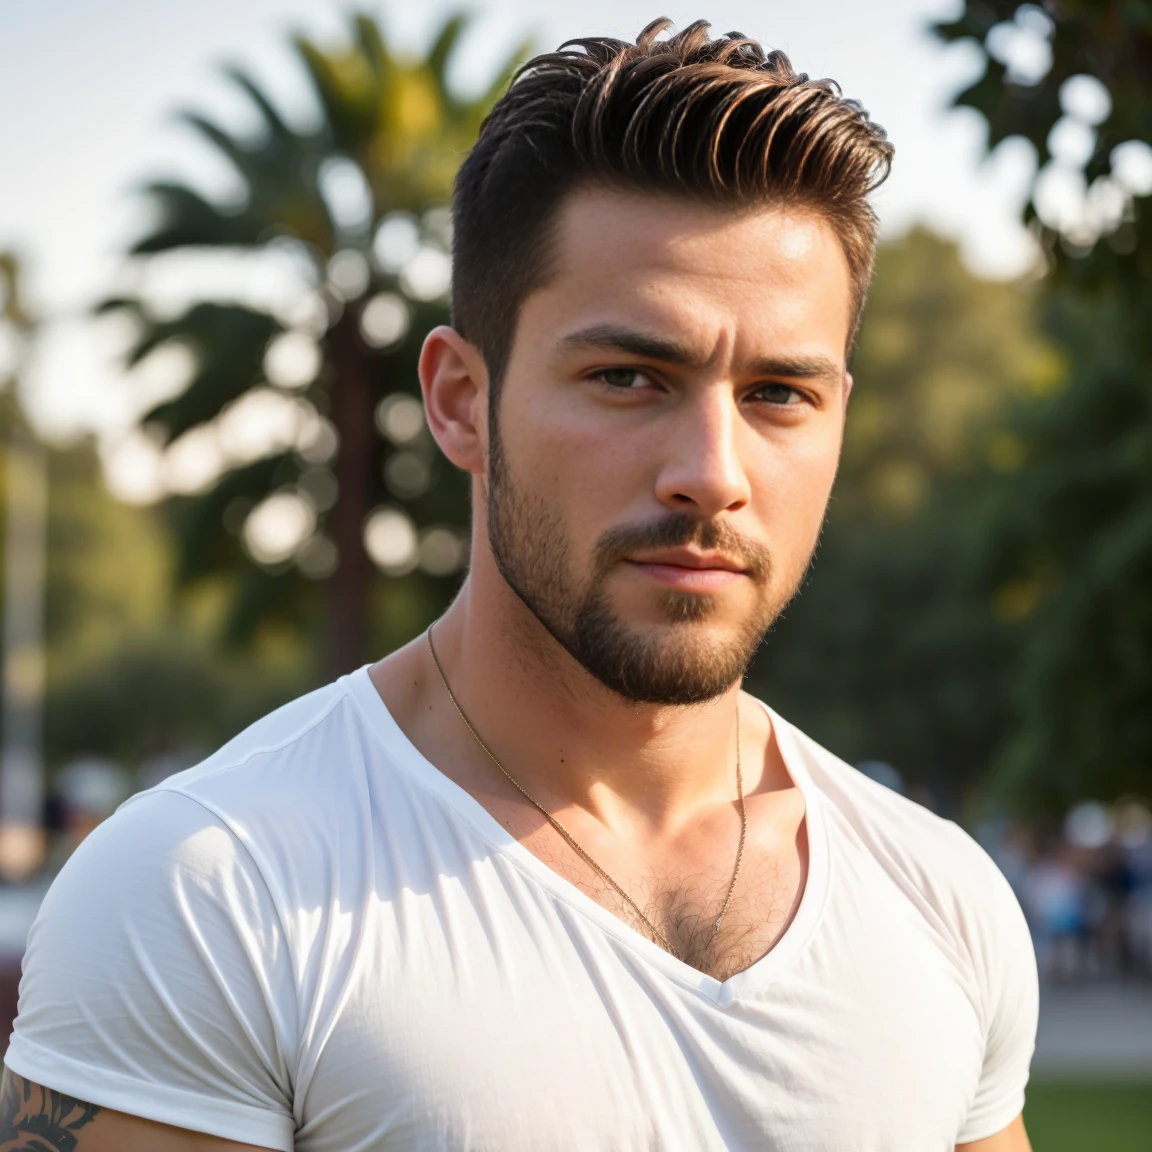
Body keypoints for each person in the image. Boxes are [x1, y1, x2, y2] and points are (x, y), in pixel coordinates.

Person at [1, 19, 1038, 1152]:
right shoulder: (204, 893)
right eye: (629, 375)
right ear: (457, 400)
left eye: (778, 394)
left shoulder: (944, 900)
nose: (712, 474)